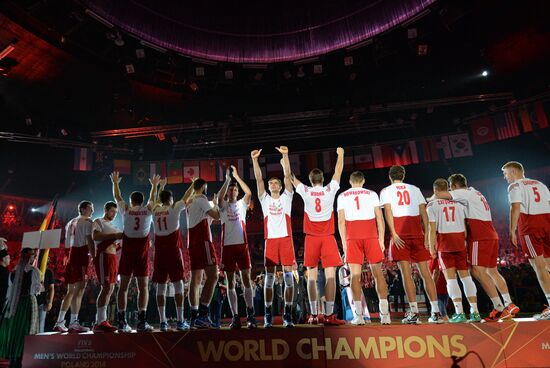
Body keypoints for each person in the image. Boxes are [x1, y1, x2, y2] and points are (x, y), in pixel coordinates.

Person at [434, 173, 519, 321]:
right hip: (491, 234)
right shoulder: (476, 192)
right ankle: (509, 303)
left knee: (477, 271)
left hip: (479, 235)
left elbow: (440, 194)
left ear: (454, 186)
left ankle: (499, 306)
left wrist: (428, 200)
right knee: (492, 271)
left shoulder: (462, 193)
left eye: (451, 188)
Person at [290, 147, 345, 326]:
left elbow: (290, 178)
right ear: (322, 179)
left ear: (310, 180)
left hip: (311, 237)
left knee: (311, 277)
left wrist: (285, 159)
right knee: (330, 276)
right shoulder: (330, 189)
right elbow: (338, 171)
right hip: (328, 236)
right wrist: (341, 155)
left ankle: (313, 314)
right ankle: (329, 315)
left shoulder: (305, 190)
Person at [380, 165, 442, 324]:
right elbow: (424, 212)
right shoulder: (415, 189)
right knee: (425, 273)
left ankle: (414, 313)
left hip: (400, 233)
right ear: (404, 175)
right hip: (417, 232)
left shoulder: (386, 191)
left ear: (390, 176)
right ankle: (436, 312)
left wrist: (393, 234)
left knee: (406, 274)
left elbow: (388, 212)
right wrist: (427, 234)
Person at [337, 171, 392, 325]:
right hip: (370, 234)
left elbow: (341, 222)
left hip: (352, 236)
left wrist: (344, 243)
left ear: (350, 181)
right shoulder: (372, 194)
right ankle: (385, 315)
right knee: (378, 275)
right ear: (363, 181)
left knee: (355, 276)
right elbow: (379, 218)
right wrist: (381, 239)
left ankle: (359, 316)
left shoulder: (342, 196)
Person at [252, 147, 296, 328]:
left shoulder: (287, 197)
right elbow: (258, 179)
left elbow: (287, 177)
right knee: (269, 280)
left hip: (286, 239)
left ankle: (288, 314)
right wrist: (254, 160)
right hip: (271, 241)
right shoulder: (264, 199)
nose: (273, 184)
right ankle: (268, 314)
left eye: (275, 183)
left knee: (288, 280)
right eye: (271, 183)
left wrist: (286, 155)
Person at [111, 171, 159, 332]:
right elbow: (153, 198)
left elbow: (117, 196)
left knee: (123, 288)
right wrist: (154, 186)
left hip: (128, 251)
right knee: (143, 288)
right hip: (142, 252)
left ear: (131, 201)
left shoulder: (126, 209)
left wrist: (116, 182)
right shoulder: (148, 210)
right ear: (142, 201)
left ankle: (122, 321)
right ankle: (142, 321)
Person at [427, 178, 480, 323]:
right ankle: (475, 312)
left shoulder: (432, 205)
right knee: (466, 277)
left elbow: (432, 229)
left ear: (435, 190)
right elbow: (465, 226)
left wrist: (431, 247)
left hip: (445, 242)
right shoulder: (459, 203)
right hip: (459, 240)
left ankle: (459, 312)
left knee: (451, 279)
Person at [502, 161, 550, 320]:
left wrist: (512, 230)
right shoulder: (540, 184)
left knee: (538, 266)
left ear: (514, 171)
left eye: (506, 173)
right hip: (547, 222)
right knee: (548, 264)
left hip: (530, 226)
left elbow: (515, 207)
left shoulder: (515, 186)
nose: (505, 177)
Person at [217, 166, 257, 329]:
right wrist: (227, 180)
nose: (233, 191)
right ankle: (235, 317)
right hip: (227, 247)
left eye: (234, 189)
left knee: (246, 279)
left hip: (241, 246)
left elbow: (249, 193)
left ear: (237, 192)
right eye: (230, 189)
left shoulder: (241, 204)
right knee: (231, 283)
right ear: (228, 192)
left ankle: (250, 314)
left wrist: (237, 177)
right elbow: (219, 197)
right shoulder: (223, 206)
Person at [152, 179, 194, 331]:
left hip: (159, 252)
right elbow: (186, 195)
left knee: (161, 287)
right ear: (170, 199)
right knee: (179, 285)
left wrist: (159, 187)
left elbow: (155, 201)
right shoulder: (175, 207)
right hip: (173, 251)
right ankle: (180, 320)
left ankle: (163, 321)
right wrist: (193, 184)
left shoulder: (155, 210)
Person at [54, 201, 95, 333]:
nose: (92, 211)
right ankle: (73, 322)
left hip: (70, 257)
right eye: (90, 208)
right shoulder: (88, 221)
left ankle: (60, 322)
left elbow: (66, 242)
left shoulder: (69, 222)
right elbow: (89, 240)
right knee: (80, 289)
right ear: (82, 209)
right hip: (80, 256)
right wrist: (93, 255)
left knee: (70, 291)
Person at [186, 178, 222, 329]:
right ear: (203, 187)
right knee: (213, 275)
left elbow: (206, 219)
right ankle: (203, 312)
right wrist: (217, 205)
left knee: (195, 279)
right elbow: (216, 216)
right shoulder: (201, 198)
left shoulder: (190, 201)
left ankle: (194, 315)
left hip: (192, 241)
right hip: (203, 240)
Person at [0, 248, 40, 367]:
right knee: (25, 329)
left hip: (13, 304)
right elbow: (35, 290)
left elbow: (10, 290)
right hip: (27, 302)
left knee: (15, 329)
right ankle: (22, 356)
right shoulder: (34, 271)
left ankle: (14, 357)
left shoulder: (13, 272)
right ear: (30, 257)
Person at [91, 201, 123, 332]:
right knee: (106, 287)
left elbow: (116, 245)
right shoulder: (98, 221)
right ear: (105, 209)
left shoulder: (113, 225)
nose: (114, 214)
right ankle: (99, 322)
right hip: (103, 256)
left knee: (111, 288)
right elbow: (95, 236)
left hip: (112, 257)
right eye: (112, 211)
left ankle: (102, 320)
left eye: (116, 212)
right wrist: (115, 235)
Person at [37, 266, 54, 333]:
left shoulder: (48, 272)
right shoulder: (32, 269)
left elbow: (52, 288)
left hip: (42, 302)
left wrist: (50, 302)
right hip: (30, 301)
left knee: (40, 325)